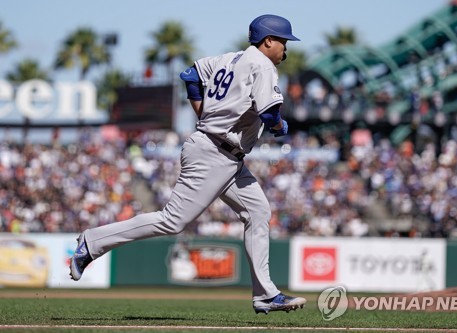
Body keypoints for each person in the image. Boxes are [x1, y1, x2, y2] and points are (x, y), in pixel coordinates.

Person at [70, 14, 306, 314]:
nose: (285, 49)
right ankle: (91, 243)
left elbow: (190, 74)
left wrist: (203, 111)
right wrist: (280, 127)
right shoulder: (263, 66)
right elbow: (271, 116)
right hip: (213, 153)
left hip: (226, 156)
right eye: (283, 42)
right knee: (172, 221)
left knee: (258, 212)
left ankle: (265, 294)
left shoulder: (228, 59)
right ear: (268, 41)